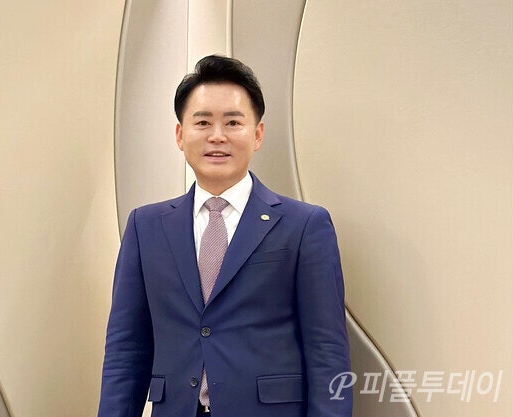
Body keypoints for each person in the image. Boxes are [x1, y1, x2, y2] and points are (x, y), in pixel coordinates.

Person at [98, 55, 352, 417]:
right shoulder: (146, 226)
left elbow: (327, 351)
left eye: (233, 122)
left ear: (257, 134)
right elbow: (126, 349)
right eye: (202, 122)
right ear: (180, 134)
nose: (217, 136)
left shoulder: (304, 225)